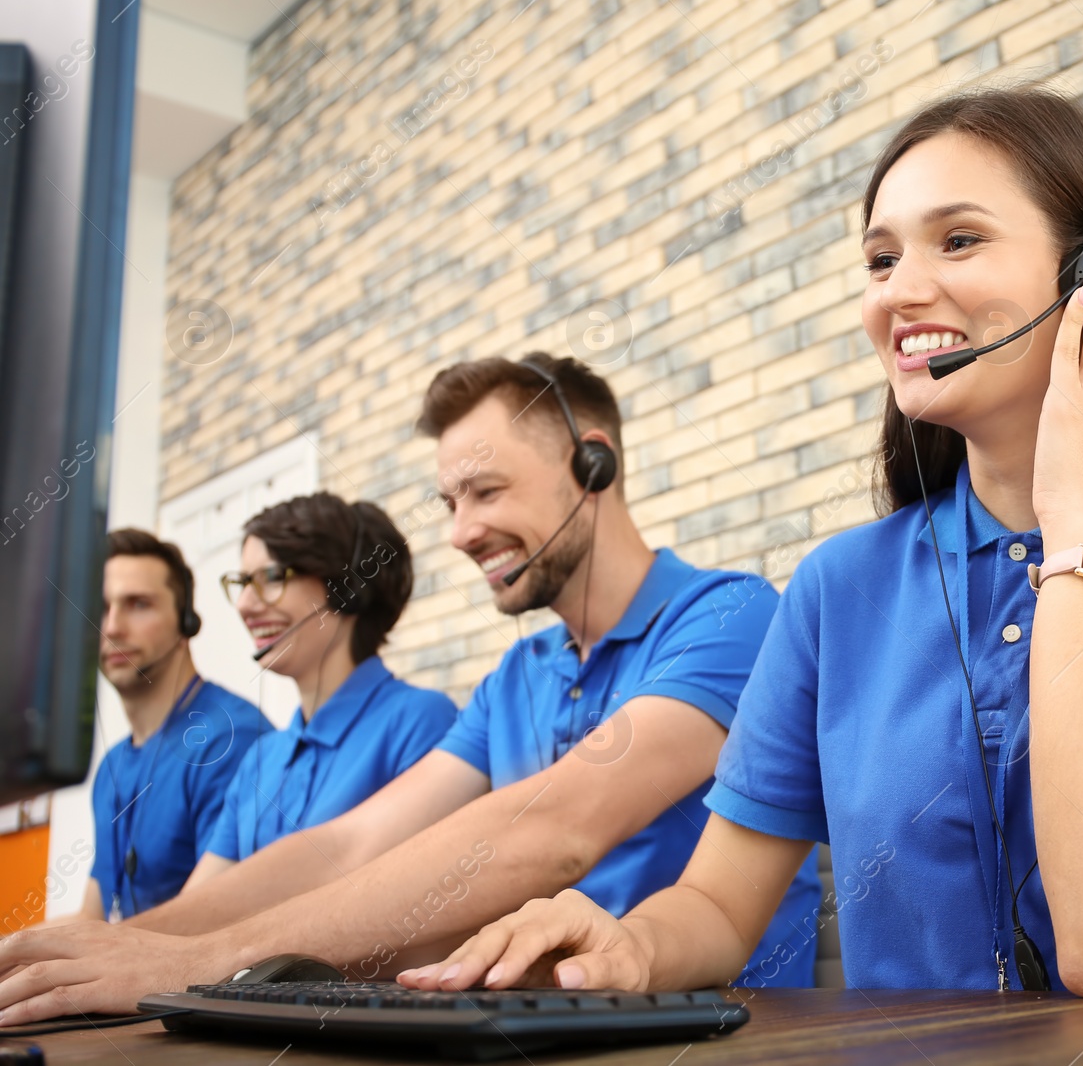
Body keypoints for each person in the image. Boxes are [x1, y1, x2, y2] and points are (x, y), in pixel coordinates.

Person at [395, 88, 1083, 999]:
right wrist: (631, 943)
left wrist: (1079, 516)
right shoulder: (840, 587)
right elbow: (718, 902)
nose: (900, 291)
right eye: (879, 259)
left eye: (957, 239)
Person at [0, 353, 820, 1024]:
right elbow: (350, 843)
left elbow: (558, 826)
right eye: (450, 501)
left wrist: (202, 961)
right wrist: (123, 946)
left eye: (487, 491)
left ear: (591, 463)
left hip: (714, 1030)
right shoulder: (517, 676)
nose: (460, 531)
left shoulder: (730, 616)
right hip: (535, 1026)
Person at [185, 494, 458, 885]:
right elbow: (201, 905)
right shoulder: (261, 759)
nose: (245, 604)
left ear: (344, 586)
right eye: (243, 583)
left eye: (273, 577)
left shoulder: (419, 722)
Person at [79, 530, 270, 921]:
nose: (112, 628)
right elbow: (91, 919)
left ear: (186, 622)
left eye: (138, 604)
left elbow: (213, 920)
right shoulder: (111, 765)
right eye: (101, 608)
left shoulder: (230, 739)